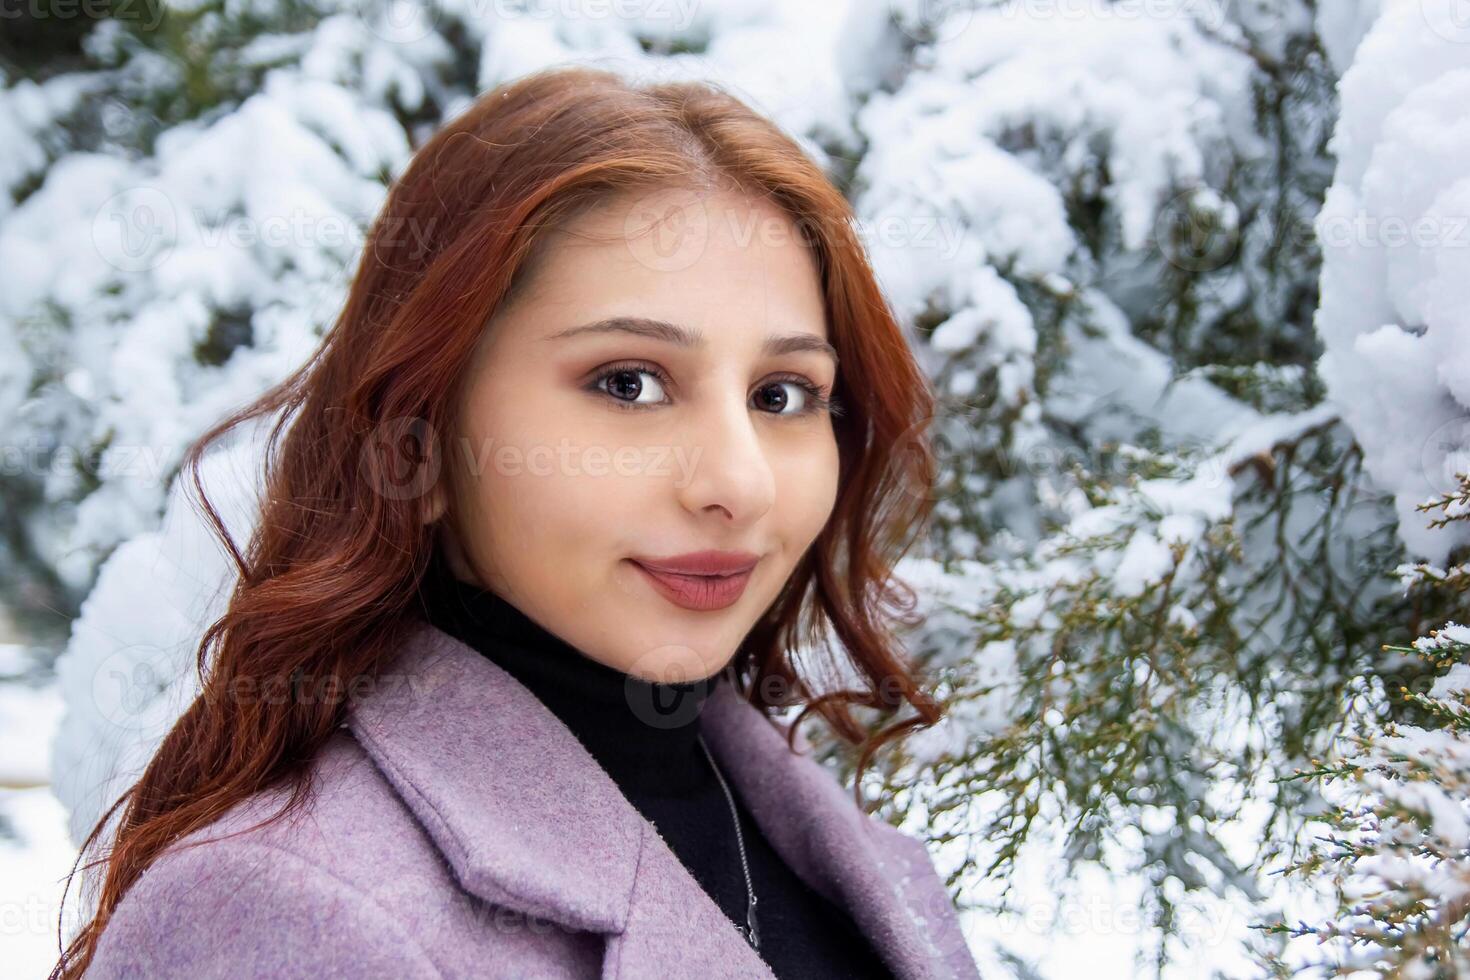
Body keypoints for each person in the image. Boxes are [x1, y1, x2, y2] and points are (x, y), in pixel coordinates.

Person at [54, 64, 979, 979]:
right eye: (629, 383)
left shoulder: (822, 845)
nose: (739, 484)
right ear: (418, 443)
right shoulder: (286, 911)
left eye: (782, 394)